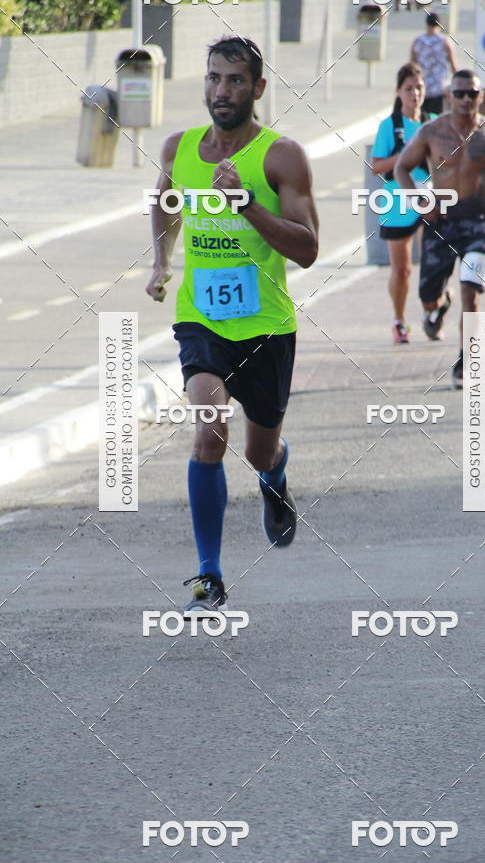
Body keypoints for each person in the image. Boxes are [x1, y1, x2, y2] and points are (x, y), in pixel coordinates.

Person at [145, 35, 319, 612]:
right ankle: (209, 574)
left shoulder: (280, 156)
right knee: (209, 428)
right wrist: (162, 262)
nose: (223, 90)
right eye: (215, 78)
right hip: (202, 320)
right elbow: (165, 201)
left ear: (258, 89)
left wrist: (248, 203)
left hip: (267, 326)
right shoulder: (180, 148)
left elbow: (309, 249)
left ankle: (275, 475)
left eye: (236, 80)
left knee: (258, 451)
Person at [394, 69, 485, 389]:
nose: (466, 99)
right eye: (460, 93)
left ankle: (465, 364)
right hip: (441, 222)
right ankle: (438, 306)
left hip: (478, 223)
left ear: (481, 97)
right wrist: (421, 201)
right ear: (450, 96)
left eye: (472, 94)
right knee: (428, 295)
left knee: (472, 292)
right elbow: (402, 168)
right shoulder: (430, 132)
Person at [371, 63, 434, 344]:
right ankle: (399, 322)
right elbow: (376, 166)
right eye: (409, 89)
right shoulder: (390, 126)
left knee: (433, 262)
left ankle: (432, 311)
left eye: (419, 88)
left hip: (428, 199)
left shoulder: (433, 123)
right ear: (398, 92)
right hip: (397, 203)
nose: (415, 94)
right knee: (404, 269)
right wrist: (407, 156)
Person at [410, 13, 457, 115]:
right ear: (439, 24)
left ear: (426, 24)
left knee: (421, 119)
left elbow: (411, 67)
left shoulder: (418, 41)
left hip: (421, 87)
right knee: (436, 120)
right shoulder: (445, 42)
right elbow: (453, 67)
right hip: (439, 88)